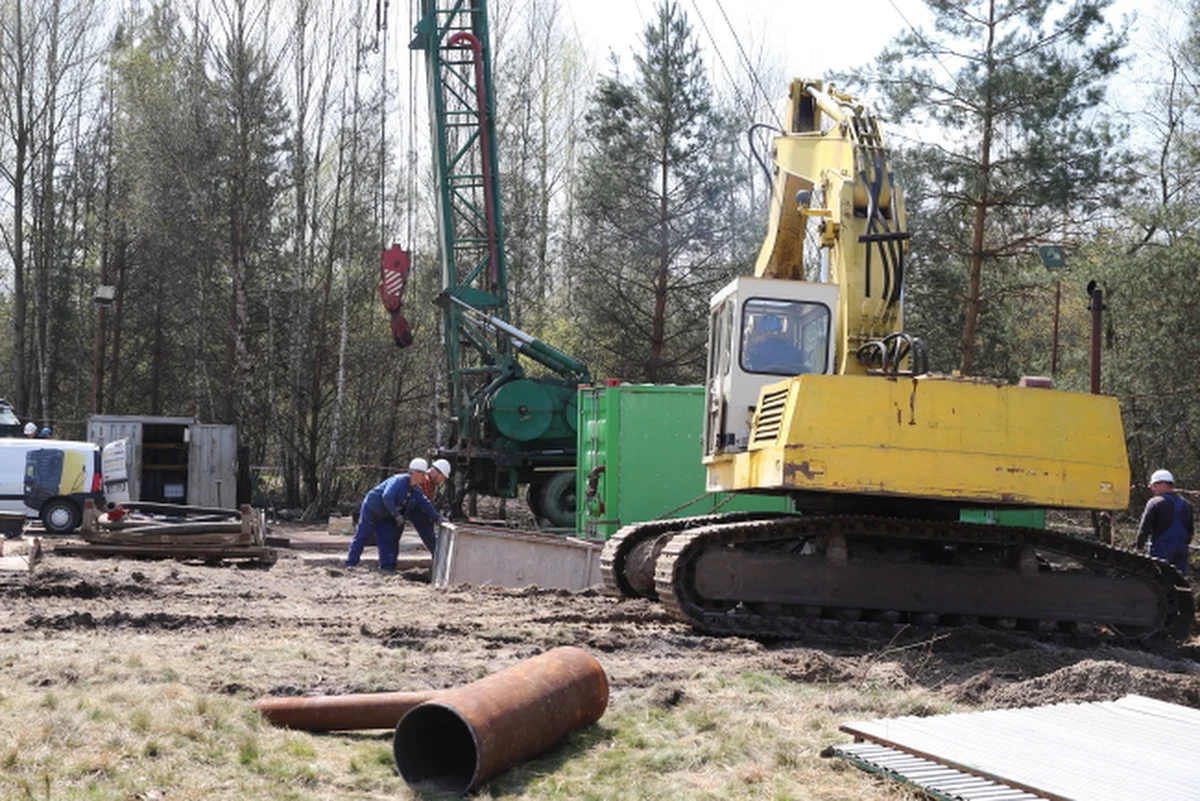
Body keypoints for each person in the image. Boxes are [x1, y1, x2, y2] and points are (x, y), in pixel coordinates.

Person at [344, 456, 451, 572]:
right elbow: (387, 496)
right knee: (362, 535)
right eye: (423, 474)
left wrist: (438, 518)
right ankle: (351, 564)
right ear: (417, 473)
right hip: (372, 509)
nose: (425, 477)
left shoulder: (416, 489)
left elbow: (425, 504)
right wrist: (396, 515)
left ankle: (387, 568)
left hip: (386, 514)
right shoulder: (400, 480)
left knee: (386, 539)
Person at [1135, 468, 1194, 577]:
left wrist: (1139, 547)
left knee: (1158, 582)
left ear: (1161, 484)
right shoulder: (1187, 504)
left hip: (1161, 549)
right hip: (1182, 548)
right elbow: (1190, 531)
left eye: (1154, 485)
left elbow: (1144, 528)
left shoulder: (1155, 502)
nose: (1153, 489)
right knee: (1180, 582)